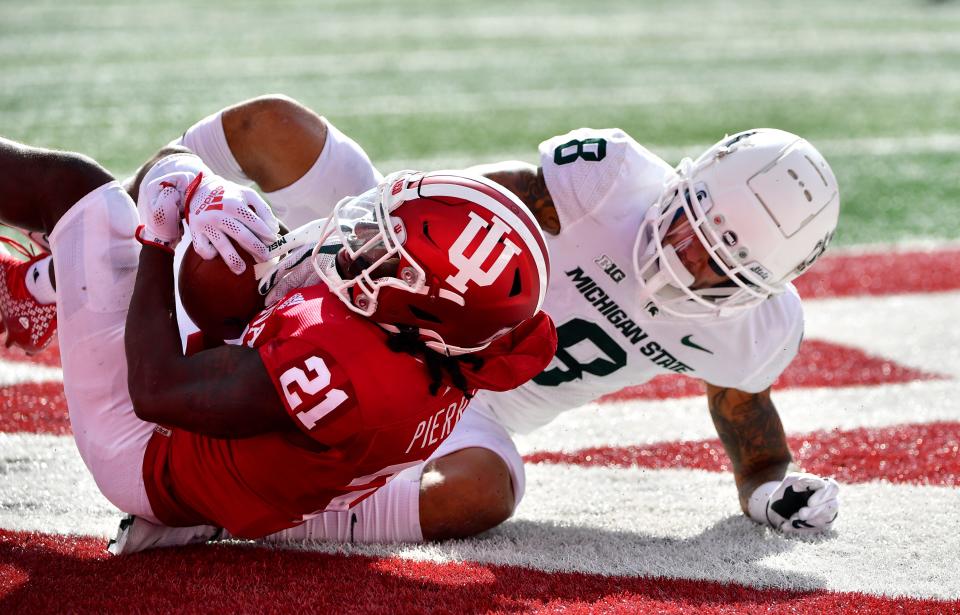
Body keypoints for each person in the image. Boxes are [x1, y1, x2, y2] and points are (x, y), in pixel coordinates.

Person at [0, 134, 556, 550]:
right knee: (226, 242)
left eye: (385, 252)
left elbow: (155, 390)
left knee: (78, 189)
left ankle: (30, 293)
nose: (363, 240)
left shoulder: (345, 364)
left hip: (147, 450)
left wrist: (161, 236)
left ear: (420, 304)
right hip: (254, 473)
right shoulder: (463, 344)